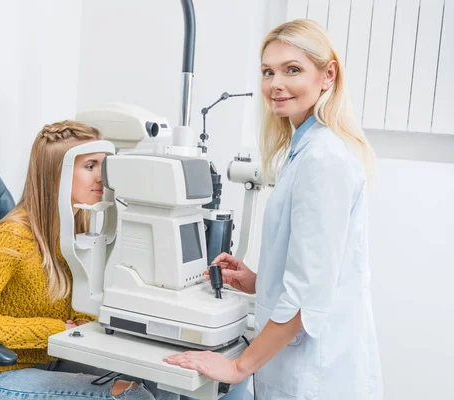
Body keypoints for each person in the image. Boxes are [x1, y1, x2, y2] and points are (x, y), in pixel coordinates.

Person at [164, 18, 383, 400]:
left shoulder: (322, 159)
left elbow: (306, 298)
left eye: (292, 70)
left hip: (315, 378)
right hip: (302, 367)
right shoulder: (306, 150)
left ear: (328, 75)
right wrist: (259, 280)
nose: (275, 84)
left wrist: (237, 367)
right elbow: (314, 270)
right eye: (268, 72)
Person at [0, 120, 178, 400]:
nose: (101, 178)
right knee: (133, 396)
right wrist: (58, 330)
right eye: (89, 166)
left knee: (164, 382)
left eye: (103, 166)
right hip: (1, 375)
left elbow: (82, 306)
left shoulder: (80, 226)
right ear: (57, 174)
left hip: (56, 358)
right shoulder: (12, 236)